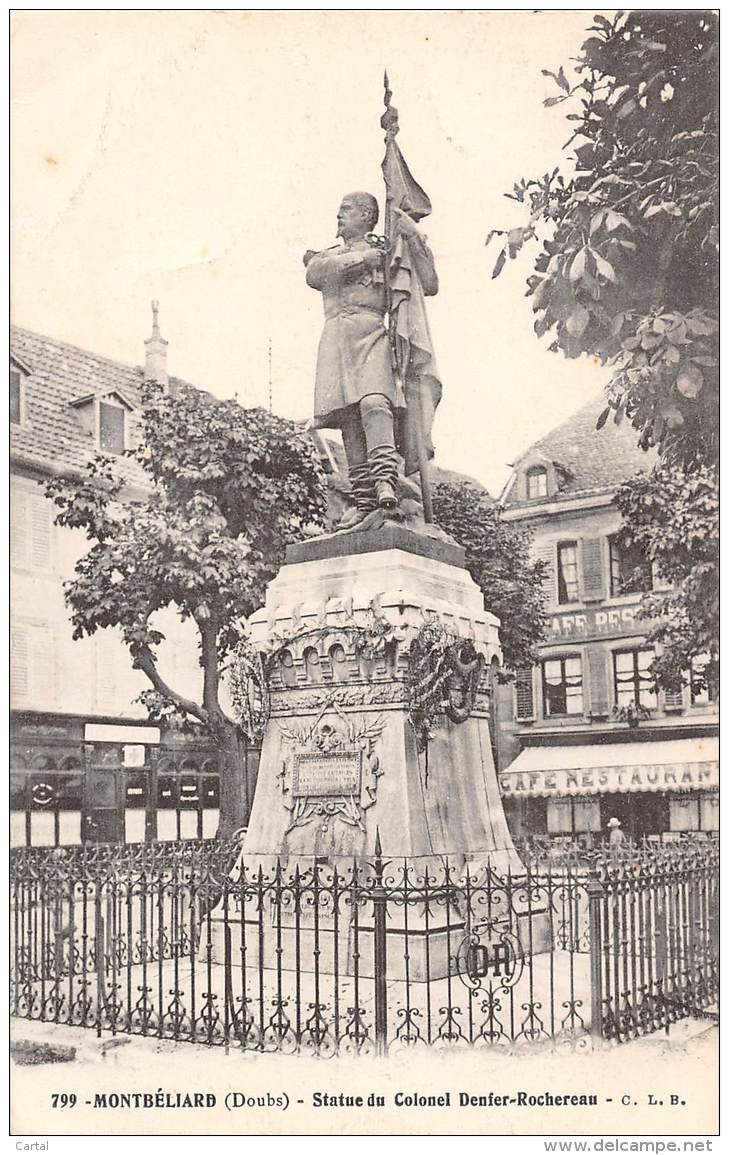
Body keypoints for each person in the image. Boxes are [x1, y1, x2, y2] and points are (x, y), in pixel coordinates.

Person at [304, 191, 438, 531]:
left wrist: (412, 236)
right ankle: (363, 499)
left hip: (372, 332)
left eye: (346, 210)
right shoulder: (330, 256)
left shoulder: (389, 250)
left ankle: (385, 483)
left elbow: (430, 283)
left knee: (375, 404)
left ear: (367, 215)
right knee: (348, 416)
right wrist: (367, 260)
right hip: (336, 340)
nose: (339, 216)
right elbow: (316, 274)